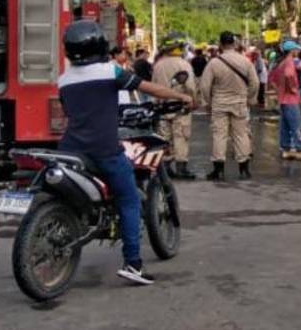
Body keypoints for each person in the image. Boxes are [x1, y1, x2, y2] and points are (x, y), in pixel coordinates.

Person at [58, 20, 192, 286]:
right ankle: (133, 263)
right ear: (99, 45)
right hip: (104, 150)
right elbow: (146, 88)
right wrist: (183, 98)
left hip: (69, 149)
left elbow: (76, 112)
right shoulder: (109, 71)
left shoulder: (63, 80)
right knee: (129, 199)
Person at [198, 31, 260, 180]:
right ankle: (244, 169)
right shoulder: (245, 61)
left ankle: (218, 170)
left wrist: (207, 102)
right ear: (234, 43)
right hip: (239, 103)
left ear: (220, 44)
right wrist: (249, 98)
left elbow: (205, 86)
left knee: (219, 135)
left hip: (219, 104)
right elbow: (255, 83)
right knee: (241, 134)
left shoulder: (214, 63)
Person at [152, 31, 200, 180]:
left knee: (165, 138)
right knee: (181, 137)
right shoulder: (183, 64)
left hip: (162, 107)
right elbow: (191, 87)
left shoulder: (158, 65)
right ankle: (181, 169)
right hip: (181, 107)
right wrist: (194, 100)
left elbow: (154, 86)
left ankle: (166, 168)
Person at [269, 41, 301, 161]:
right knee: (296, 125)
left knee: (285, 126)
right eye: (296, 49)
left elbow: (273, 79)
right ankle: (300, 149)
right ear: (292, 50)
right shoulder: (289, 62)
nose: (298, 51)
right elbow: (289, 75)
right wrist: (294, 88)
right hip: (291, 99)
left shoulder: (282, 63)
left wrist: (280, 90)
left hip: (283, 99)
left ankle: (286, 149)